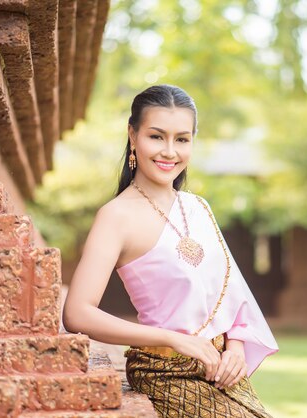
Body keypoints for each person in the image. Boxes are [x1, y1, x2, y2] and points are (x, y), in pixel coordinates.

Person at [63, 84, 279, 417]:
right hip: (163, 372)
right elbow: (77, 312)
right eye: (156, 136)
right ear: (132, 135)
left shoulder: (198, 208)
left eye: (182, 139)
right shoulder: (116, 217)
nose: (169, 151)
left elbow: (232, 296)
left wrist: (235, 347)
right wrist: (174, 339)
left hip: (219, 370)